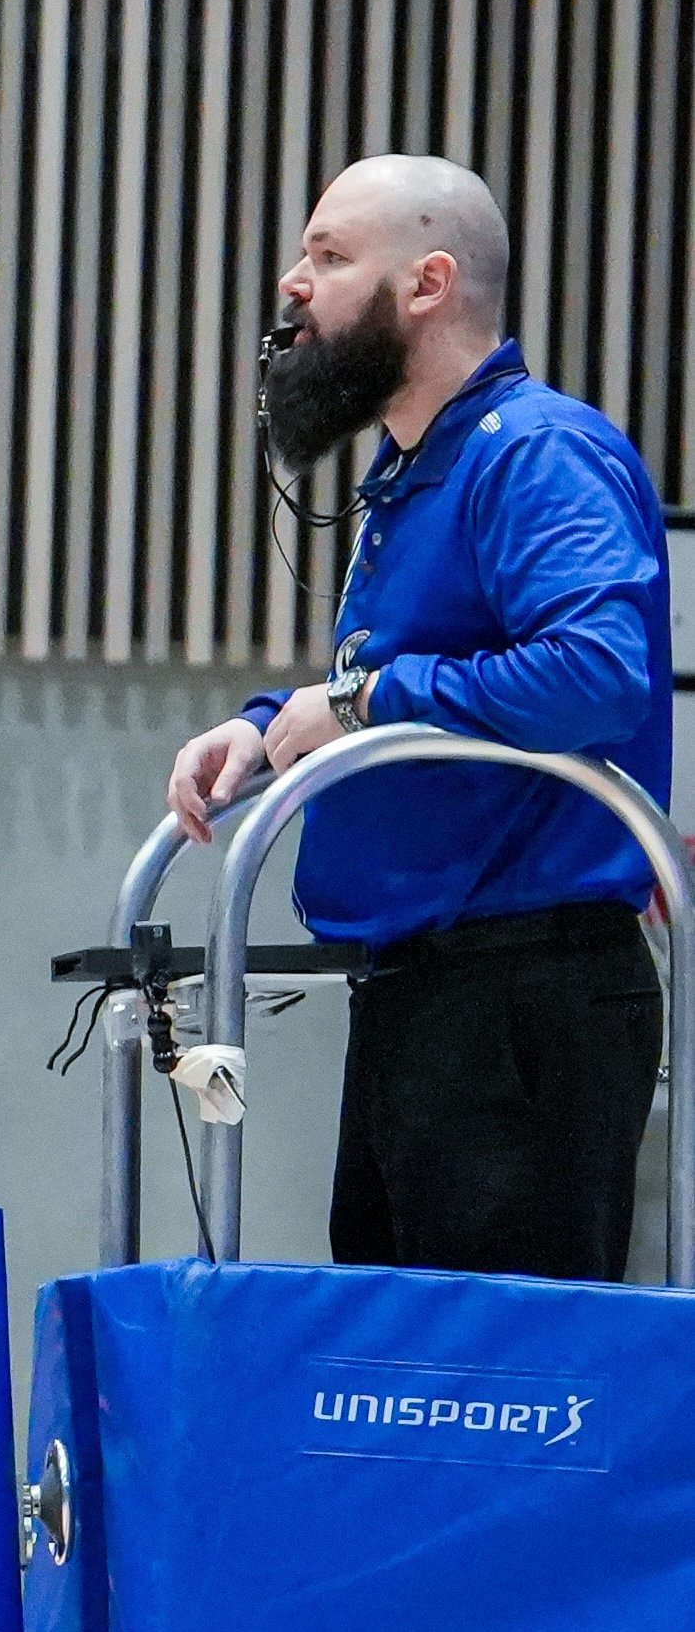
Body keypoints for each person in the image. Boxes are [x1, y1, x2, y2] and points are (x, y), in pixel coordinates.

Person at [165, 154, 676, 1279]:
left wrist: (357, 702)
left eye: (329, 256)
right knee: (396, 1346)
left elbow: (596, 673)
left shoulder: (536, 453)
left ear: (428, 283)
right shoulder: (418, 470)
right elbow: (411, 670)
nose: (293, 282)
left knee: (489, 1362)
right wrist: (269, 726)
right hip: (424, 989)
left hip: (524, 994)